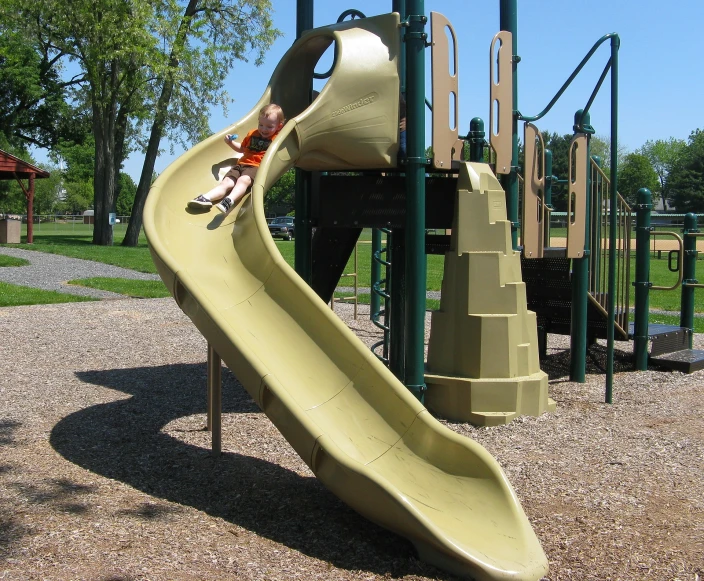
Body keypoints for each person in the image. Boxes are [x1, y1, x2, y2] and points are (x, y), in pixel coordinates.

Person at [188, 103, 285, 214]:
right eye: (261, 124)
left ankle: (229, 200)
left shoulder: (277, 138)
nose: (264, 129)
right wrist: (230, 143)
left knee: (243, 180)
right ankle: (206, 198)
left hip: (256, 167)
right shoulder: (252, 133)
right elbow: (242, 149)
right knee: (226, 183)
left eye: (269, 126)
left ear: (279, 126)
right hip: (240, 165)